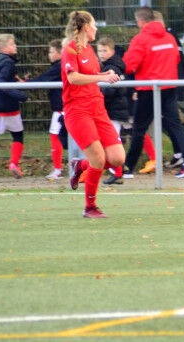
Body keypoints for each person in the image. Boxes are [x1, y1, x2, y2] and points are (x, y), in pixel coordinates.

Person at [62, 11, 125, 218]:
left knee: (117, 158)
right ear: (86, 27)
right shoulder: (70, 49)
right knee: (98, 158)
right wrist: (102, 78)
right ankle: (90, 207)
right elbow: (73, 78)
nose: (96, 28)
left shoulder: (89, 49)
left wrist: (104, 74)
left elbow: (90, 75)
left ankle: (80, 165)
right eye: (94, 24)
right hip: (78, 111)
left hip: (97, 108)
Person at [122, 6, 184, 178]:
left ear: (140, 21)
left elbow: (129, 65)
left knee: (139, 128)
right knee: (176, 125)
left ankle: (128, 168)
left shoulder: (140, 40)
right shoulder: (169, 38)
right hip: (169, 87)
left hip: (148, 89)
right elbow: (176, 58)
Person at [0, 34, 29, 181]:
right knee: (18, 136)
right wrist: (21, 96)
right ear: (4, 48)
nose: (15, 46)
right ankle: (14, 164)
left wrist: (18, 83)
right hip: (8, 107)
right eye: (12, 44)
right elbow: (3, 84)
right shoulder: (8, 63)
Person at [96, 36, 133, 185]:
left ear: (112, 51)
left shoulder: (112, 68)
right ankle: (118, 169)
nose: (101, 53)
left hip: (113, 110)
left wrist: (98, 100)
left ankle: (118, 171)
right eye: (99, 50)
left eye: (105, 50)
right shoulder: (111, 66)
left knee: (111, 142)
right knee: (112, 141)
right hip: (114, 110)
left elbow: (109, 91)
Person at [29, 39, 68, 180]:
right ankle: (60, 168)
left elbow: (43, 79)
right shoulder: (58, 66)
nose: (49, 54)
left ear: (59, 53)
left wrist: (25, 84)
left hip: (64, 109)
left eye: (51, 52)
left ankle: (59, 169)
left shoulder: (60, 66)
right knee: (57, 137)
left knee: (59, 138)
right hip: (60, 109)